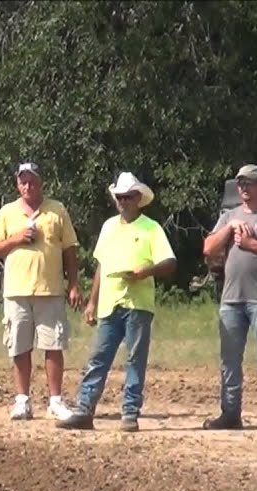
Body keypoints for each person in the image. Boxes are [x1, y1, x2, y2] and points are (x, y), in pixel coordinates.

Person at [57, 172, 176, 433]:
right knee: (98, 357)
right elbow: (101, 264)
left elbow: (169, 262)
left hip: (138, 303)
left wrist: (145, 272)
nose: (122, 201)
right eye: (119, 197)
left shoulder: (151, 228)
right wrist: (92, 302)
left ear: (137, 198)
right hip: (110, 302)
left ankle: (130, 412)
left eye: (127, 197)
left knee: (135, 358)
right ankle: (85, 409)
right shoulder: (109, 226)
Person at [0, 162, 84, 421]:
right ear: (17, 185)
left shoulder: (57, 210)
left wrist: (73, 283)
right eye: (23, 181)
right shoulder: (7, 213)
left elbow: (70, 249)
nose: (28, 186)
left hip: (50, 289)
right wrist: (16, 238)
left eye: (32, 181)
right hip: (17, 291)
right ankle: (22, 400)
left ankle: (55, 400)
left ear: (41, 183)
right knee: (19, 346)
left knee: (53, 345)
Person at [200, 164, 257, 431]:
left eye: (249, 182)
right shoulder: (229, 216)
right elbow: (208, 248)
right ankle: (230, 414)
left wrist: (253, 245)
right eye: (240, 183)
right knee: (229, 359)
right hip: (231, 299)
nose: (243, 187)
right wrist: (229, 227)